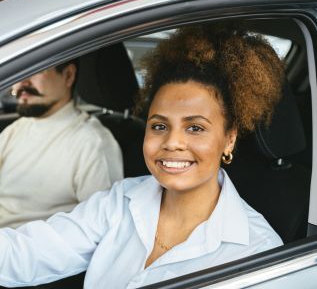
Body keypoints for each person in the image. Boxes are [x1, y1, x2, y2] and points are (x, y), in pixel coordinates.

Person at [0, 23, 284, 288]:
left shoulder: (259, 252)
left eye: (195, 128)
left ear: (229, 138)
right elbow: (26, 253)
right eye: (159, 126)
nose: (172, 142)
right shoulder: (119, 202)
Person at [0, 60, 123, 228]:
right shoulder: (16, 129)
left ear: (68, 76)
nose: (22, 82)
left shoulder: (93, 143)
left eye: (35, 70)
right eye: (19, 71)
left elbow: (102, 227)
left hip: (32, 250)